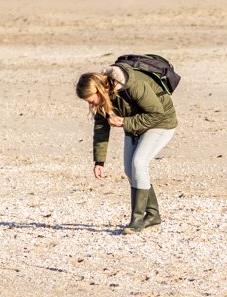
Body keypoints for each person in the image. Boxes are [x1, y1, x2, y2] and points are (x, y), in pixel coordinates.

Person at [75, 62, 177, 233]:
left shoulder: (133, 85)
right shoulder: (101, 100)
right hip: (136, 126)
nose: (90, 104)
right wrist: (99, 161)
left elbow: (157, 113)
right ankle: (152, 215)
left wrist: (124, 122)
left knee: (139, 163)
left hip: (161, 122)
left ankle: (136, 220)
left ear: (99, 90)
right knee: (130, 170)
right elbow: (101, 128)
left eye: (91, 100)